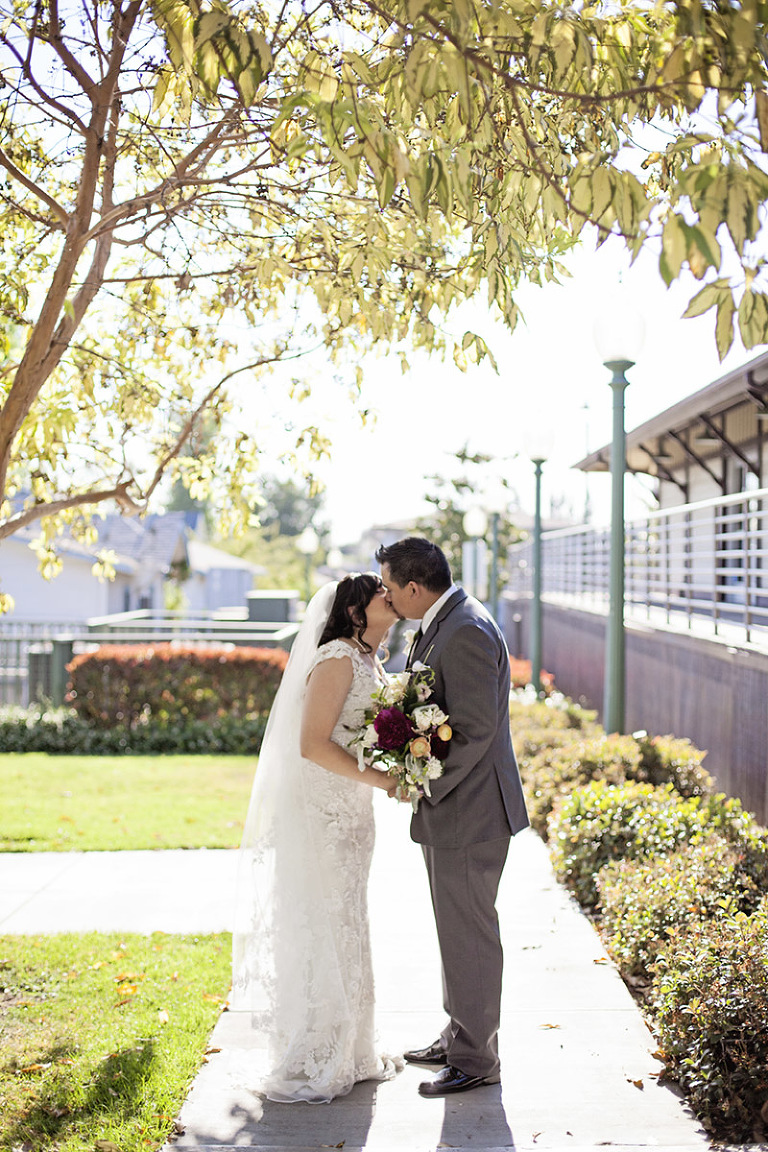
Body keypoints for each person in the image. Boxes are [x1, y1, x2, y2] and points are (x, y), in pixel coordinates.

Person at [230, 573, 402, 1103]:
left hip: (353, 808)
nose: (389, 595)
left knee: (348, 917)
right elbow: (310, 744)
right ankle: (315, 1048)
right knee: (326, 918)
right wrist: (381, 777)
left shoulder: (370, 661)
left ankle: (350, 1046)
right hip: (324, 809)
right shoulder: (335, 658)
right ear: (354, 611)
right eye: (379, 591)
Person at [376, 536, 529, 1098]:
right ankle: (459, 1033)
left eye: (391, 589)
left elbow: (473, 730)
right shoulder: (447, 619)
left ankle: (476, 1057)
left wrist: (418, 780)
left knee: (471, 932)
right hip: (457, 808)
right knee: (456, 929)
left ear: (415, 587)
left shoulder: (464, 630)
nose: (388, 599)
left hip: (471, 810)